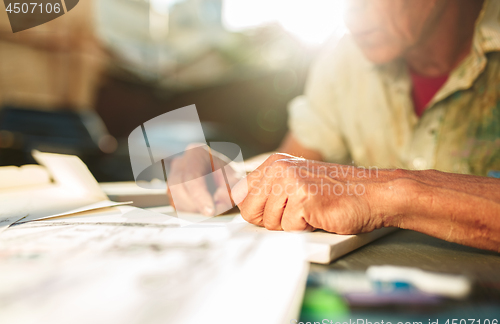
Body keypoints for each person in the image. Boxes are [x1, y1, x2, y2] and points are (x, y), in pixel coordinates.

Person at [168, 0, 500, 252]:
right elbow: (292, 166)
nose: (350, 14)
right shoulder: (344, 58)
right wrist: (233, 180)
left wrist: (389, 193)